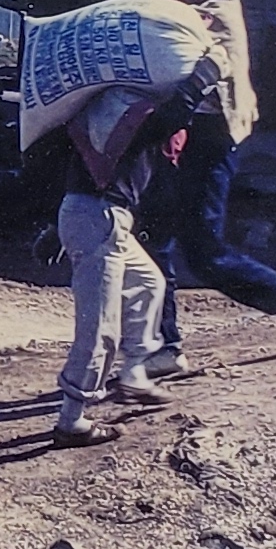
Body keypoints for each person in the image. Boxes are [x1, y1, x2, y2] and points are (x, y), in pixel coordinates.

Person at [145, 0, 276, 371]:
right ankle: (164, 346)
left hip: (211, 137)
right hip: (182, 134)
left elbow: (195, 51)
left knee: (203, 251)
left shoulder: (217, 13)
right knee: (155, 239)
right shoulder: (191, 11)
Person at [48, 78, 190, 445]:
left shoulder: (109, 106)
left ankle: (134, 375)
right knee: (99, 328)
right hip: (100, 217)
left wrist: (55, 226)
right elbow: (169, 118)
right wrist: (201, 79)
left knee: (149, 284)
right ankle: (71, 422)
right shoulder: (131, 110)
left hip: (99, 216)